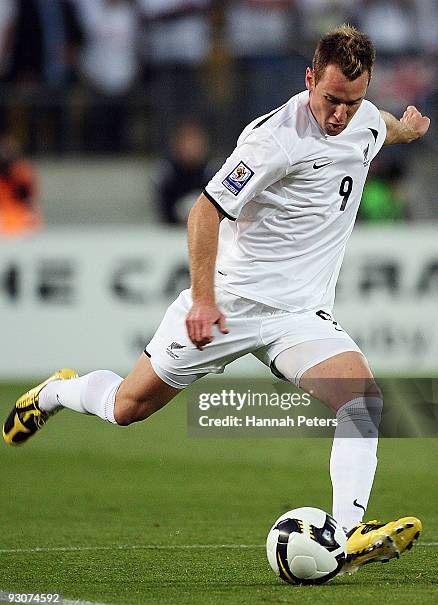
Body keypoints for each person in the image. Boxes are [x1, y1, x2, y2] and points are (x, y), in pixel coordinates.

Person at [3, 25, 430, 575]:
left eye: (353, 101)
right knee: (126, 408)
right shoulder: (273, 139)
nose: (341, 114)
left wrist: (407, 130)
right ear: (308, 81)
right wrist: (203, 301)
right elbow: (205, 211)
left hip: (298, 316)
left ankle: (345, 534)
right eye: (331, 99)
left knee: (363, 402)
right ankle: (58, 393)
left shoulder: (365, 119)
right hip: (228, 304)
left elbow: (381, 129)